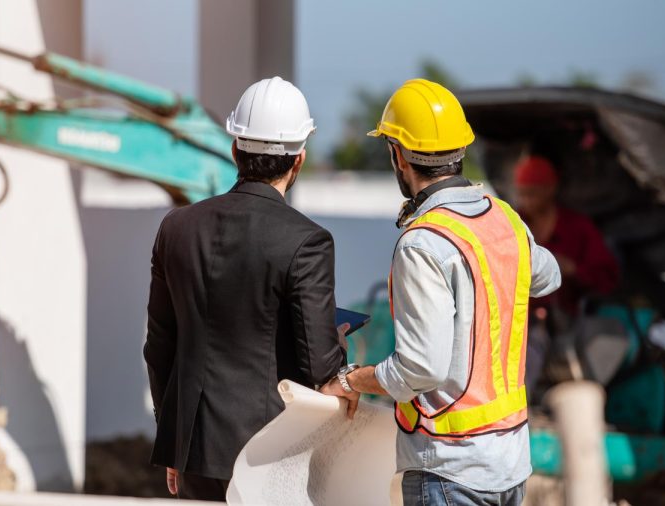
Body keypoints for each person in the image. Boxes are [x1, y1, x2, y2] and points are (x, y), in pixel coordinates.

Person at [322, 79, 562, 506]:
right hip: (509, 465)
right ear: (461, 151)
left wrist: (351, 378)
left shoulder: (423, 242)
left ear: (397, 155)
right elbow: (548, 276)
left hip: (453, 472)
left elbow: (420, 369)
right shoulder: (504, 218)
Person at [143, 77, 355, 502]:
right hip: (268, 452)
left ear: (235, 149)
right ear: (299, 160)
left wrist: (174, 440)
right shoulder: (308, 240)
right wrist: (338, 342)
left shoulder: (176, 228)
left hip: (193, 450)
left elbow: (159, 345)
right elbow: (319, 365)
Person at [513, 155, 620, 315]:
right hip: (522, 319)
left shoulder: (578, 226)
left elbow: (607, 277)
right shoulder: (513, 224)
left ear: (551, 188)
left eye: (532, 193)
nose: (527, 201)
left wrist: (572, 269)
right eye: (522, 194)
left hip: (573, 319)